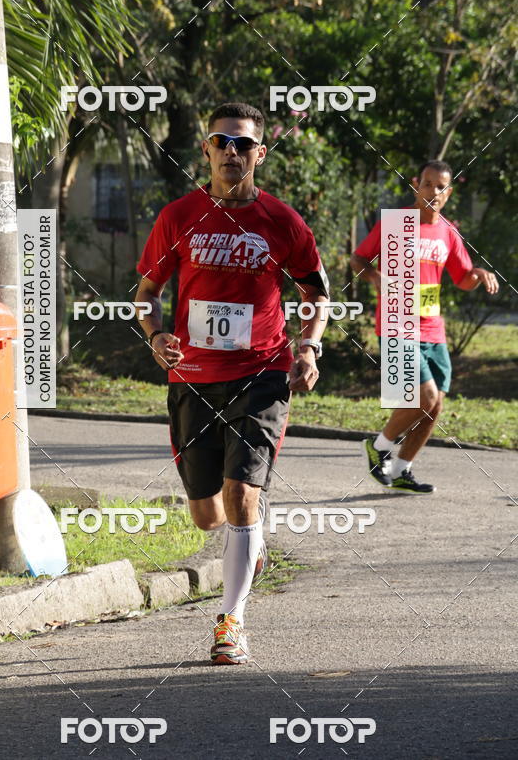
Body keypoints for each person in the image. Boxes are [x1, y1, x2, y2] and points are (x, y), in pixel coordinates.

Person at [135, 102, 329, 664]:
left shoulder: (283, 222)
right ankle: (252, 543)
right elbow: (145, 294)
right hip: (193, 379)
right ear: (207, 150)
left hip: (262, 374)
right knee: (207, 513)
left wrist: (309, 346)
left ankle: (231, 623)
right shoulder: (178, 217)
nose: (232, 152)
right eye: (222, 141)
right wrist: (154, 337)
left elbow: (315, 296)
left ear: (259, 155)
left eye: (243, 144)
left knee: (242, 497)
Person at [350, 160, 499, 494]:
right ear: (417, 185)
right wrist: (374, 277)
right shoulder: (395, 224)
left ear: (449, 192)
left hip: (432, 328)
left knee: (435, 406)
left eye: (440, 186)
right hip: (397, 323)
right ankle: (380, 447)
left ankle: (402, 470)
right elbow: (358, 259)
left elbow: (462, 279)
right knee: (424, 396)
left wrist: (480, 275)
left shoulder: (448, 231)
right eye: (428, 184)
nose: (434, 192)